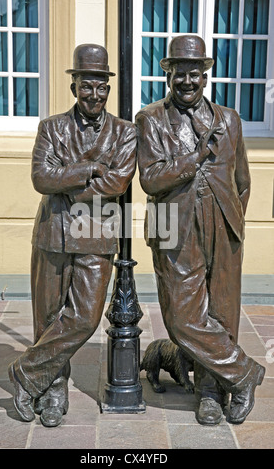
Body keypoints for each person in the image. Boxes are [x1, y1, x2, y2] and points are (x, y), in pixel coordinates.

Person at [136, 35, 265, 425]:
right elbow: (152, 179)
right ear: (168, 74)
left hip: (223, 226)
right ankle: (244, 373)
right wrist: (195, 158)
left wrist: (231, 220)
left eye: (194, 73)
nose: (187, 81)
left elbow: (242, 180)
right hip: (174, 229)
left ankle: (211, 392)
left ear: (205, 75)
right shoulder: (151, 119)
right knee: (182, 317)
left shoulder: (230, 120)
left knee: (223, 314)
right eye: (179, 74)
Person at [8, 44, 136, 427]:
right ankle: (53, 388)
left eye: (101, 87)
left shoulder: (125, 133)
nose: (94, 94)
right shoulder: (51, 127)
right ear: (74, 86)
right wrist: (91, 168)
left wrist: (68, 177)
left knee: (83, 317)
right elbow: (40, 179)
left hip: (96, 237)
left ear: (108, 89)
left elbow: (117, 183)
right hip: (51, 234)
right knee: (47, 318)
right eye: (86, 86)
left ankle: (26, 371)